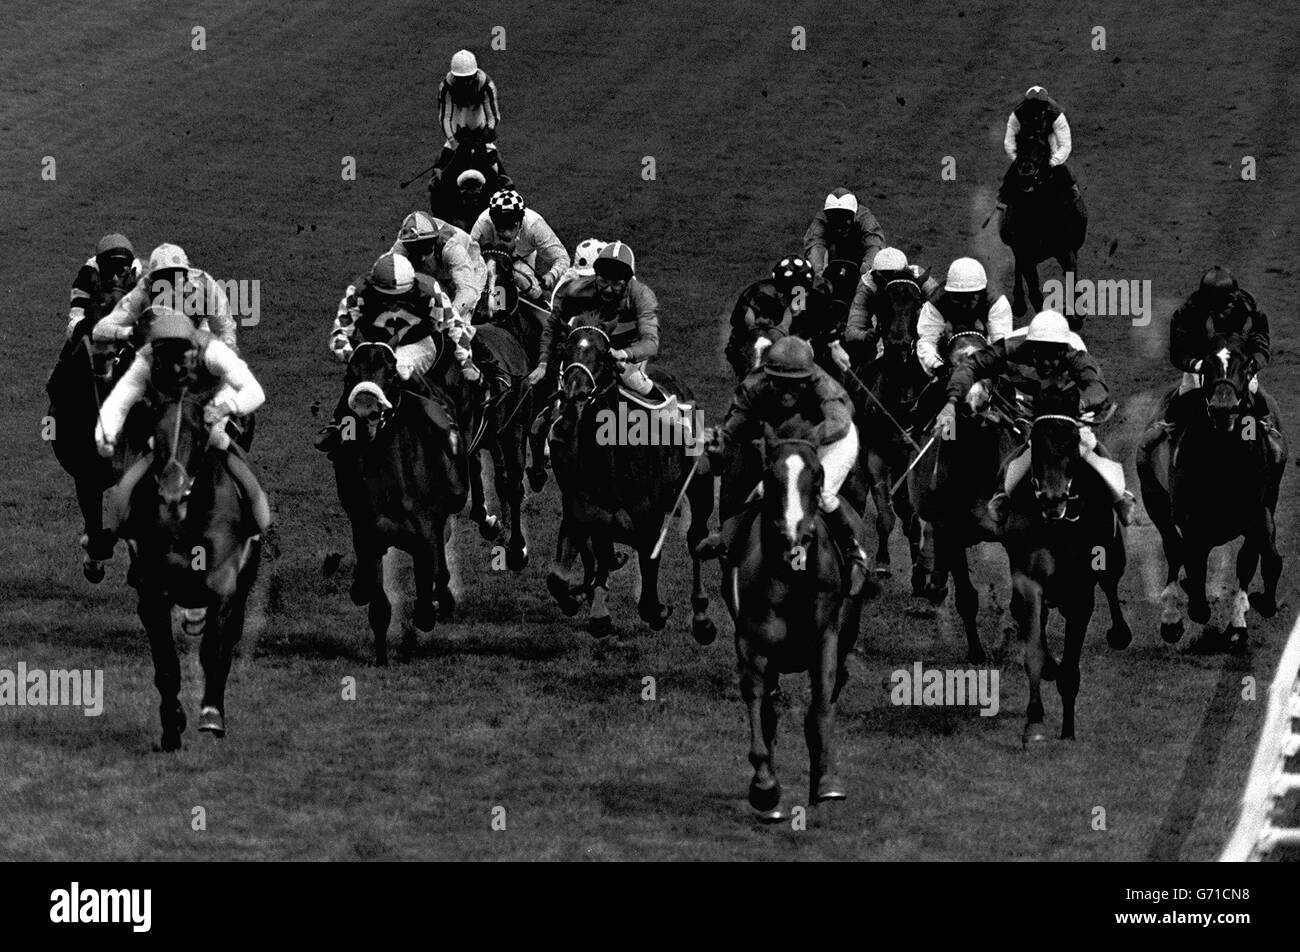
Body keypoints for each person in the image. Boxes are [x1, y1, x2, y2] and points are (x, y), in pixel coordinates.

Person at [695, 336, 870, 595]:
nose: (788, 392)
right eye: (781, 384)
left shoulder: (824, 386)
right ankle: (728, 537)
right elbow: (733, 430)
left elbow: (840, 422)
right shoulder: (754, 386)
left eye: (795, 385)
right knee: (766, 491)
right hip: (790, 441)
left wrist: (805, 441)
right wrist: (716, 442)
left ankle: (854, 553)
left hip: (831, 440)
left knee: (822, 495)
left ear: (808, 378)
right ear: (768, 376)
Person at [936, 309, 1137, 527]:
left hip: (1068, 404)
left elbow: (1097, 386)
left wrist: (1079, 404)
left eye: (1055, 355)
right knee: (1027, 443)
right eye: (1041, 353)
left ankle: (1119, 496)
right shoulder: (1009, 348)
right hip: (1029, 403)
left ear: (1065, 350)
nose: (1048, 362)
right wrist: (952, 401)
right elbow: (971, 365)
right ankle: (1003, 494)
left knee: (1086, 441)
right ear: (1031, 347)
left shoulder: (1077, 354)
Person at [94, 306, 268, 538]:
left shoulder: (213, 351)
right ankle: (125, 530)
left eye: (180, 354)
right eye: (166, 356)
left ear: (192, 347)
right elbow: (118, 402)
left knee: (216, 439)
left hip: (214, 401)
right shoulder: (146, 360)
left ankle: (253, 520)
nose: (174, 364)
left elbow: (254, 391)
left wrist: (225, 409)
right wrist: (105, 434)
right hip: (172, 411)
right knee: (147, 457)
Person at [316, 252, 466, 463]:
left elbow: (455, 325)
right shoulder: (358, 290)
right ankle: (339, 423)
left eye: (400, 298)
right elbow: (339, 335)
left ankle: (445, 422)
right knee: (363, 371)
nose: (394, 305)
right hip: (378, 347)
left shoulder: (429, 289)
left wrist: (466, 361)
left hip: (418, 343)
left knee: (401, 367)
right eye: (388, 298)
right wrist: (352, 355)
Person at [1136, 265, 1282, 467]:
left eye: (1228, 304)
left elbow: (1261, 344)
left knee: (1254, 390)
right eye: (1218, 306)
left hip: (1237, 364)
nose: (1224, 311)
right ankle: (1168, 425)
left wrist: (1253, 363)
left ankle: (1267, 428)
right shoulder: (1188, 312)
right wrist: (1197, 365)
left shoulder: (1250, 308)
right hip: (1204, 363)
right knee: (1188, 389)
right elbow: (1178, 351)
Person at [529, 241, 658, 396]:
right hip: (593, 345)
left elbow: (651, 342)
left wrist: (623, 354)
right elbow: (552, 327)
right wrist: (543, 363)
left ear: (628, 281)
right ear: (595, 275)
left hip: (627, 346)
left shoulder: (642, 296)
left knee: (632, 379)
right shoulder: (576, 290)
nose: (608, 290)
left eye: (616, 284)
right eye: (603, 281)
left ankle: (671, 413)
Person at [390, 210, 490, 382]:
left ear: (434, 241)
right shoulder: (400, 247)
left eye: (424, 248)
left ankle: (481, 367)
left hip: (470, 269)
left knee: (460, 323)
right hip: (435, 274)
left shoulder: (452, 247)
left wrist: (449, 315)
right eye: (414, 250)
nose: (420, 255)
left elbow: (467, 292)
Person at [93, 243, 239, 351]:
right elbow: (100, 329)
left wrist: (227, 353)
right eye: (164, 278)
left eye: (176, 277)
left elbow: (225, 328)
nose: (171, 285)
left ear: (187, 275)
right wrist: (131, 333)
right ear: (152, 280)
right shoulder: (143, 292)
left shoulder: (205, 285)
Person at [913, 257, 1013, 377]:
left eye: (970, 298)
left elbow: (1000, 344)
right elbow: (927, 340)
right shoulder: (937, 302)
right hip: (946, 355)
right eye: (958, 298)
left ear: (981, 292)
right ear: (949, 292)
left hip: (985, 353)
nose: (964, 304)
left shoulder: (996, 302)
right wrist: (938, 367)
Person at [470, 189, 570, 306]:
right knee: (491, 286)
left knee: (526, 283)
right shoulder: (483, 223)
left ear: (520, 220)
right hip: (491, 258)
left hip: (523, 257)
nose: (507, 234)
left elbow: (562, 258)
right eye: (501, 228)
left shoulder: (535, 225)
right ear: (492, 220)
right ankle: (497, 312)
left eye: (511, 227)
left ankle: (542, 307)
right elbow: (468, 255)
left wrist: (552, 275)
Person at [843, 247, 942, 362]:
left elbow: (942, 307)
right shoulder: (867, 286)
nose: (888, 279)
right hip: (882, 327)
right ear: (876, 274)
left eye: (892, 274)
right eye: (884, 274)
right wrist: (865, 335)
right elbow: (851, 331)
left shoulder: (917, 276)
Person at [997, 85, 1074, 207]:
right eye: (1032, 107)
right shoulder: (1018, 114)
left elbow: (1065, 145)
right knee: (1009, 182)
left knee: (1066, 181)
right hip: (1025, 154)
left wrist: (1053, 162)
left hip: (1049, 154)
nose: (1035, 111)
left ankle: (1074, 201)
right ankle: (1003, 201)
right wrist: (1016, 159)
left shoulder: (1056, 116)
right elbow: (1009, 141)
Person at [432, 50, 501, 172]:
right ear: (454, 77)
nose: (465, 83)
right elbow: (445, 117)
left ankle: (503, 181)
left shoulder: (486, 84)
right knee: (442, 169)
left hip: (478, 121)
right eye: (460, 79)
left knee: (495, 167)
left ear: (475, 75)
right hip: (458, 125)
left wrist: (486, 134)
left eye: (468, 78)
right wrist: (453, 142)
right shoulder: (446, 87)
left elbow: (493, 116)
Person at [64, 233, 142, 342]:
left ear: (131, 270)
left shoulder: (144, 277)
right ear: (99, 269)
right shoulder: (87, 275)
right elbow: (73, 325)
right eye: (109, 271)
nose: (115, 279)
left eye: (120, 271)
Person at [803, 188, 886, 278]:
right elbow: (814, 244)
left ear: (854, 215)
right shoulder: (822, 219)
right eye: (835, 218)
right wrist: (819, 272)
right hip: (833, 257)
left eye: (844, 218)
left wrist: (865, 272)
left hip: (858, 257)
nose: (840, 226)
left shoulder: (865, 218)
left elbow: (874, 245)